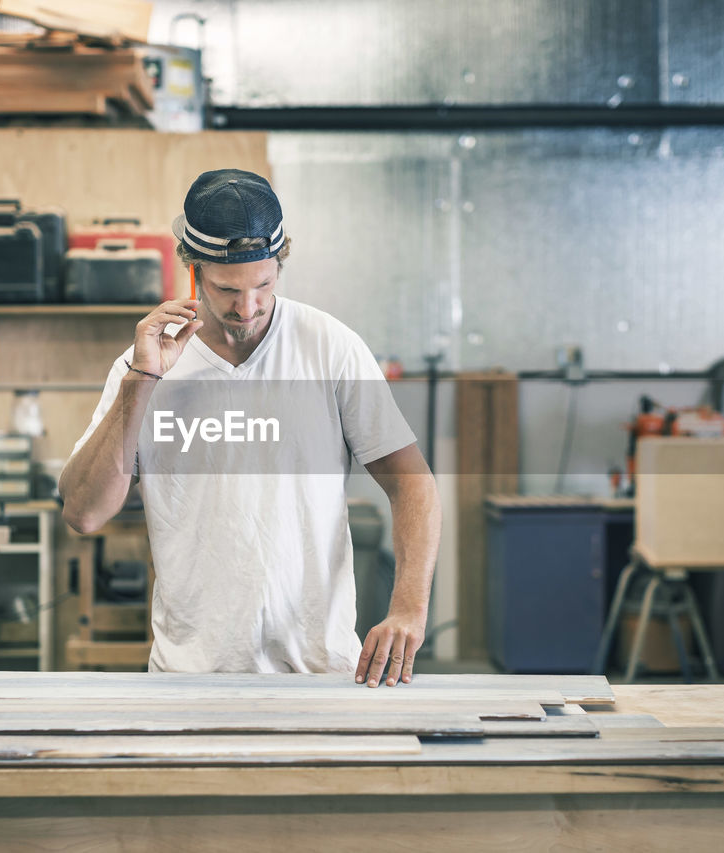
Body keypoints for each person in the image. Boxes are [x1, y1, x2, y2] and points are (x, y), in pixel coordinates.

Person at [59, 168, 440, 688]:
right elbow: (84, 513)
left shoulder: (329, 347)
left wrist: (408, 609)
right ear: (192, 269)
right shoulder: (144, 364)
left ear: (280, 264)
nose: (248, 307)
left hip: (318, 672)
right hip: (189, 677)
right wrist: (142, 380)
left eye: (263, 284)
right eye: (226, 289)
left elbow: (412, 482)